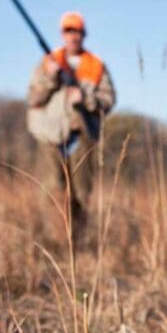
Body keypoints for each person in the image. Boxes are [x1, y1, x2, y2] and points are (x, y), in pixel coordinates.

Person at [27, 11, 116, 222]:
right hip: (50, 136)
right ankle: (55, 241)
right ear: (62, 34)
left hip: (82, 135)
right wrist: (50, 78)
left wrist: (86, 98)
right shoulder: (48, 62)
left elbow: (109, 100)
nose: (73, 36)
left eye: (77, 31)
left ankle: (79, 242)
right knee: (53, 192)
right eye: (68, 31)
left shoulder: (95, 65)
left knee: (82, 193)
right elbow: (33, 99)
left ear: (83, 34)